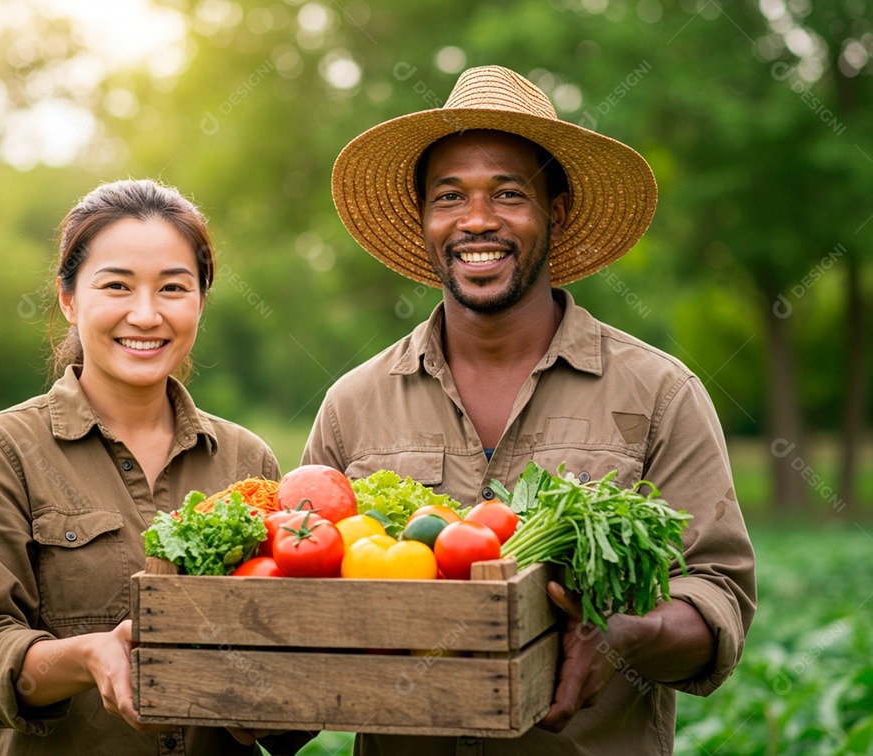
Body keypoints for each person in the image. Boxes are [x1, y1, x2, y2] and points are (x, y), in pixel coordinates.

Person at [303, 66, 756, 754]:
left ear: (558, 212)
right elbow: (306, 600)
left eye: (509, 193)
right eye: (449, 196)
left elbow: (717, 595)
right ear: (424, 220)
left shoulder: (659, 392)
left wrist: (624, 633)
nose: (476, 220)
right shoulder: (353, 404)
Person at [0, 179, 308, 754]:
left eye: (174, 288)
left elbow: (288, 670)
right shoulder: (3, 450)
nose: (145, 314)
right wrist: (86, 657)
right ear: (68, 299)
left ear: (200, 302)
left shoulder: (246, 460)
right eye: (116, 286)